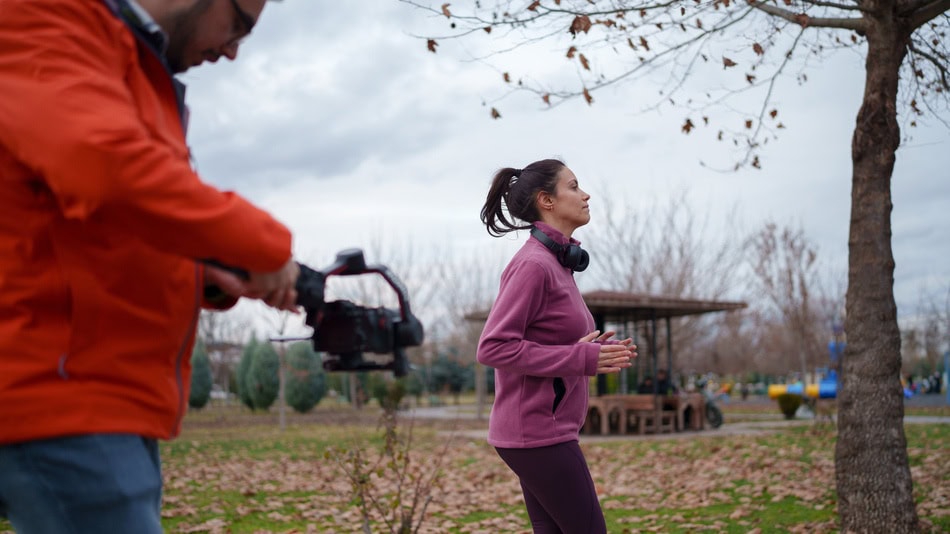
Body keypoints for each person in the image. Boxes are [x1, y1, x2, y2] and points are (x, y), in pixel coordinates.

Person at [0, 1, 299, 532]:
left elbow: (90, 220)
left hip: (101, 397)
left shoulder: (126, 58)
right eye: (238, 26)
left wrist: (203, 275)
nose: (232, 52)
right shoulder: (48, 17)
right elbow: (104, 170)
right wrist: (265, 244)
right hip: (60, 394)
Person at [477, 158, 635, 533]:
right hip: (537, 432)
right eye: (575, 186)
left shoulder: (557, 263)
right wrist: (579, 357)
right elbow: (494, 347)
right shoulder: (534, 265)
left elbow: (544, 342)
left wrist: (586, 350)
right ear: (546, 200)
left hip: (539, 431)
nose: (585, 194)